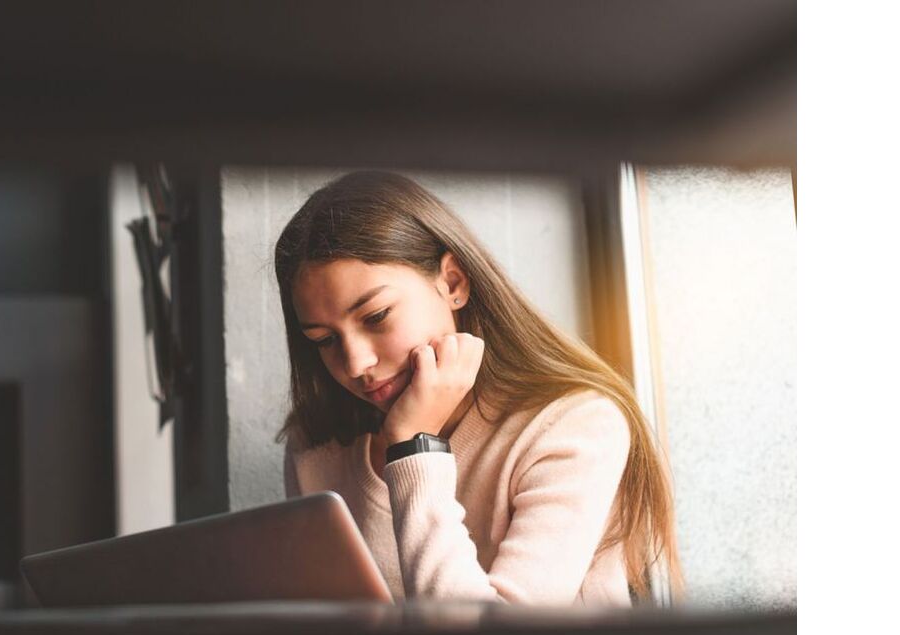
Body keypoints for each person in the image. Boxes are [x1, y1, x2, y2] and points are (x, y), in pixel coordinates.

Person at [275, 170, 683, 606]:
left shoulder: (574, 425)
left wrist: (414, 448)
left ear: (452, 283)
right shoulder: (316, 446)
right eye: (324, 340)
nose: (357, 363)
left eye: (376, 317)